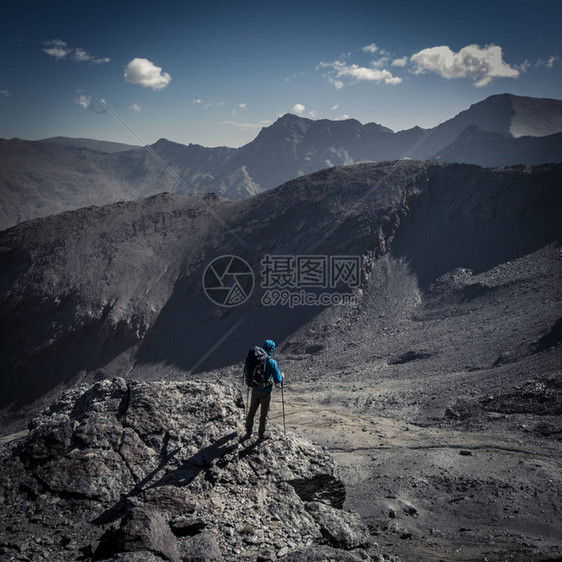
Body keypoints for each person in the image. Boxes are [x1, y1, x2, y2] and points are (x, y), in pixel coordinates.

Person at [244, 339, 283, 440]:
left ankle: (248, 432)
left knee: (252, 411)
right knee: (263, 414)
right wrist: (282, 376)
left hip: (255, 389)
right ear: (272, 349)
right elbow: (278, 379)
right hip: (266, 392)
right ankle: (261, 435)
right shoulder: (272, 362)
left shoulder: (254, 359)